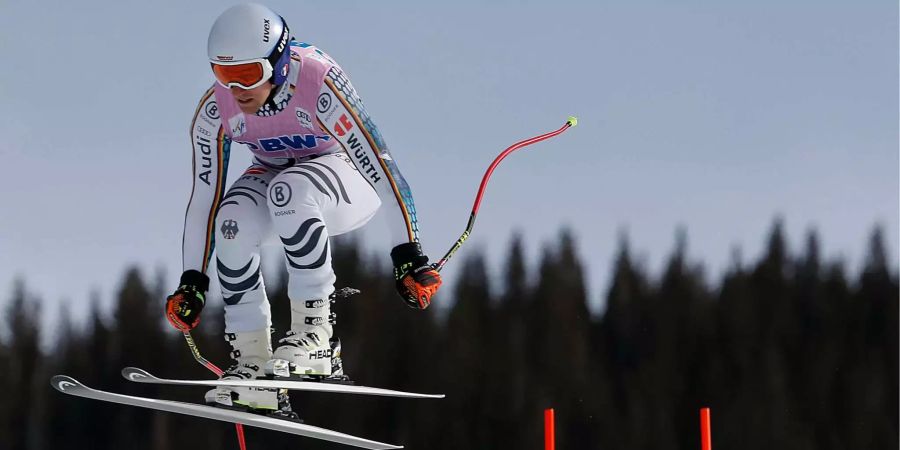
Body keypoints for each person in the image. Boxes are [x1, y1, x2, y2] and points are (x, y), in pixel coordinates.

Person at [163, 3, 442, 412]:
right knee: (231, 221)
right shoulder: (215, 110)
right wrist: (193, 281)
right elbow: (204, 197)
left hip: (347, 178)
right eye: (224, 75)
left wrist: (408, 253)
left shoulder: (318, 85)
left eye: (248, 75)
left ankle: (317, 339)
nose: (237, 89)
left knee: (289, 190)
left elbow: (384, 170)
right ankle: (253, 362)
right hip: (279, 178)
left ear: (276, 64)